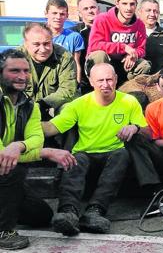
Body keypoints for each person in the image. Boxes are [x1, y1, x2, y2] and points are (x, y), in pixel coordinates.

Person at [43, 63, 148, 236]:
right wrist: (27, 124)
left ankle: (95, 211)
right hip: (86, 153)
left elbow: (147, 132)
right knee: (74, 158)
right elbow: (52, 128)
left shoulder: (129, 101)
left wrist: (135, 127)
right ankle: (68, 212)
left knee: (122, 154)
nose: (105, 84)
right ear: (91, 81)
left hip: (114, 153)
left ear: (115, 79)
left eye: (109, 79)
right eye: (100, 80)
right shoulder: (78, 104)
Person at [0, 49, 76, 251]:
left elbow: (36, 139)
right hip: (6, 168)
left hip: (8, 166)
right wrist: (45, 152)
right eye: (14, 71)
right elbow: (3, 155)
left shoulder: (30, 105)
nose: (22, 76)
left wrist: (19, 145)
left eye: (25, 71)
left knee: (41, 215)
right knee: (11, 169)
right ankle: (4, 231)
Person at [86, 0, 151, 85]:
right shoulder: (102, 19)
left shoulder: (139, 24)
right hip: (103, 62)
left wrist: (133, 54)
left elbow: (141, 49)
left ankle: (130, 91)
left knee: (144, 65)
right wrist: (123, 47)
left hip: (124, 63)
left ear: (136, 5)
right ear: (117, 4)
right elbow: (94, 45)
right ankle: (101, 88)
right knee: (99, 55)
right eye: (124, 4)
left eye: (132, 4)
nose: (128, 8)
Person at [17, 23, 77, 121]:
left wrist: (43, 104)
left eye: (46, 44)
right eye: (36, 44)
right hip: (22, 109)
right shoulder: (15, 59)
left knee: (68, 109)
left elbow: (68, 90)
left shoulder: (64, 57)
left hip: (51, 107)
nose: (43, 49)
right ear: (26, 44)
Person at [45, 0, 84, 84]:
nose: (58, 17)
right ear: (46, 14)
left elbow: (76, 63)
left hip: (65, 81)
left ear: (67, 16)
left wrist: (77, 85)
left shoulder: (74, 37)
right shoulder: (37, 36)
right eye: (54, 13)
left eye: (62, 14)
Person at [139, 0, 163, 74]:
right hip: (135, 82)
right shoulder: (132, 32)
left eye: (155, 11)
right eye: (148, 10)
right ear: (140, 12)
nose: (152, 14)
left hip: (158, 82)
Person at [72, 0, 100, 93]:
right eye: (85, 9)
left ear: (98, 9)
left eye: (93, 7)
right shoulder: (74, 33)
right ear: (80, 13)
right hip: (84, 82)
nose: (90, 11)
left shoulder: (109, 29)